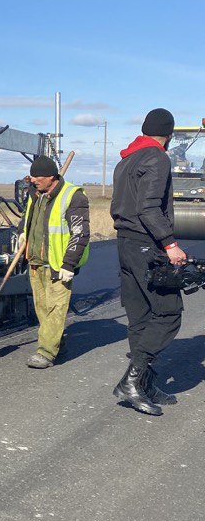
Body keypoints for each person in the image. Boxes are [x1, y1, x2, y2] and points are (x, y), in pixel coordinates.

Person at [110, 107, 187, 416]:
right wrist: (170, 244)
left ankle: (144, 383)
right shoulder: (158, 157)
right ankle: (131, 382)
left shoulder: (125, 160)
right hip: (146, 245)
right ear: (168, 136)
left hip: (124, 244)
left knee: (141, 316)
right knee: (169, 313)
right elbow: (149, 208)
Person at [20, 155, 90, 369]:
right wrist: (23, 234)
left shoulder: (74, 197)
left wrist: (69, 264)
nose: (34, 181)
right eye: (32, 177)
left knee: (55, 309)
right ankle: (58, 345)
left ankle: (46, 353)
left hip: (58, 265)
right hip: (36, 261)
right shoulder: (37, 194)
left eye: (38, 177)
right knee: (42, 309)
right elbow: (29, 219)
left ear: (51, 177)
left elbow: (80, 234)